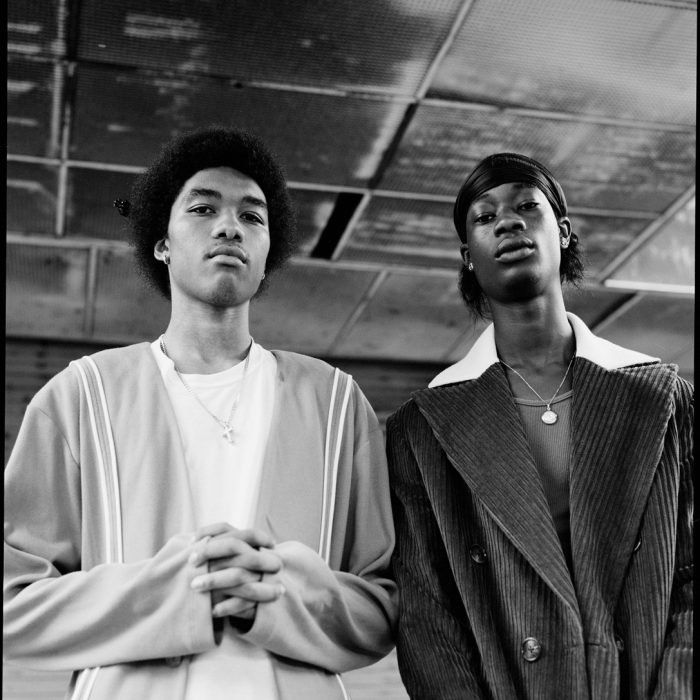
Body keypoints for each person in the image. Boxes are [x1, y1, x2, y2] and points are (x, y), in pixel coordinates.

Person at [4, 126, 397, 700]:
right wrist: (174, 593)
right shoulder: (80, 398)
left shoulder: (336, 403)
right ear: (162, 243)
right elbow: (12, 604)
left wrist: (276, 592)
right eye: (203, 208)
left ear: (268, 251)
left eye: (252, 216)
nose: (229, 226)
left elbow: (382, 608)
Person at [386, 153, 693, 699]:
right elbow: (426, 618)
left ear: (564, 232)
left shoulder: (664, 399)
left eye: (528, 206)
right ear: (468, 257)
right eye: (485, 217)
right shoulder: (423, 429)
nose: (508, 221)